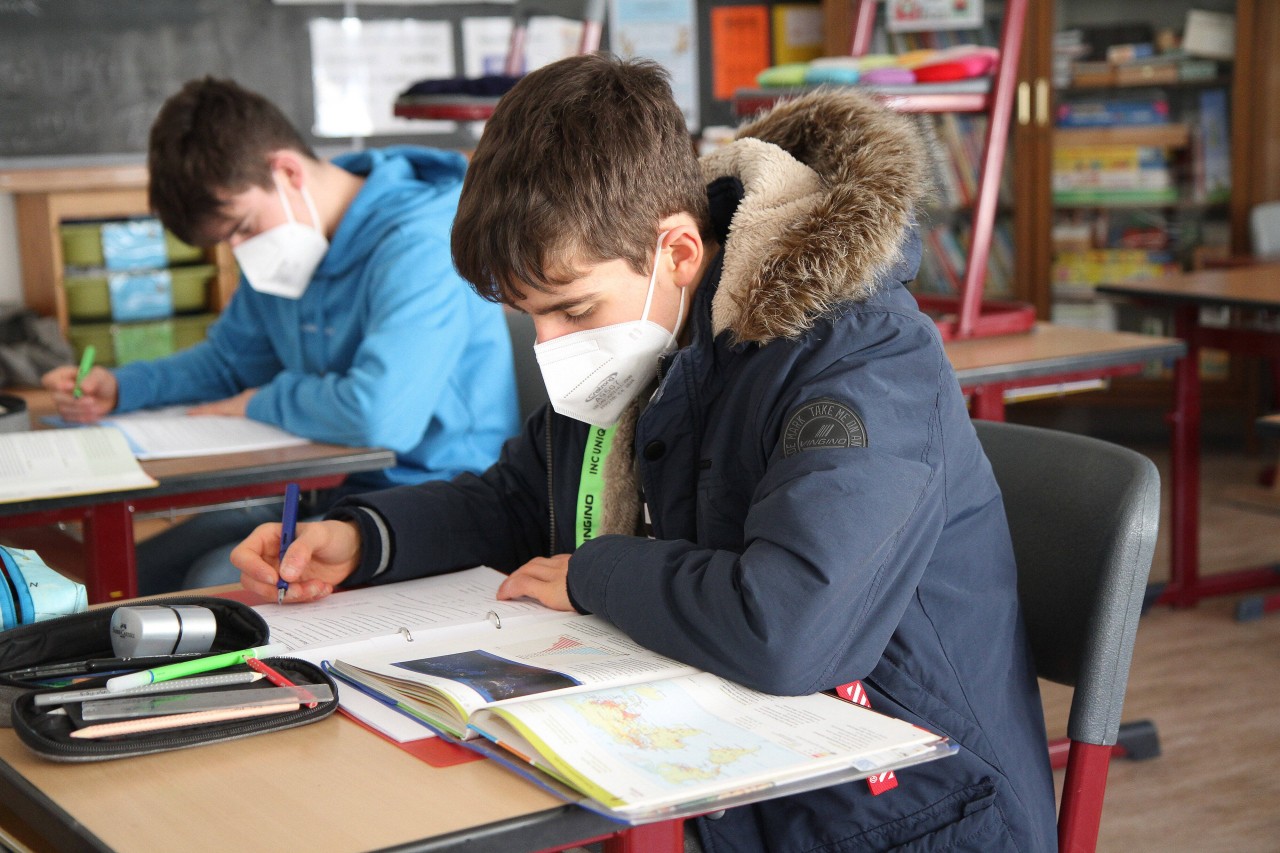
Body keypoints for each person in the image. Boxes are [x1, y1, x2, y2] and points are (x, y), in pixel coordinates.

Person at [233, 55, 1058, 852]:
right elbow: (517, 501)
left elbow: (793, 628)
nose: (549, 345)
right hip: (726, 763)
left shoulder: (859, 356)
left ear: (678, 252)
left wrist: (596, 574)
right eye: (531, 318)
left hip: (908, 812)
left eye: (571, 308)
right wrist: (366, 536)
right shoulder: (646, 332)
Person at [41, 77, 519, 594]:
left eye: (243, 227)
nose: (242, 250)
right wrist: (123, 387)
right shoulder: (291, 245)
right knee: (145, 571)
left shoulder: (421, 241)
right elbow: (229, 363)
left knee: (215, 582)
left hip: (433, 498)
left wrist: (258, 403)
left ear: (287, 171)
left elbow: (379, 416)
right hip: (329, 490)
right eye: (228, 240)